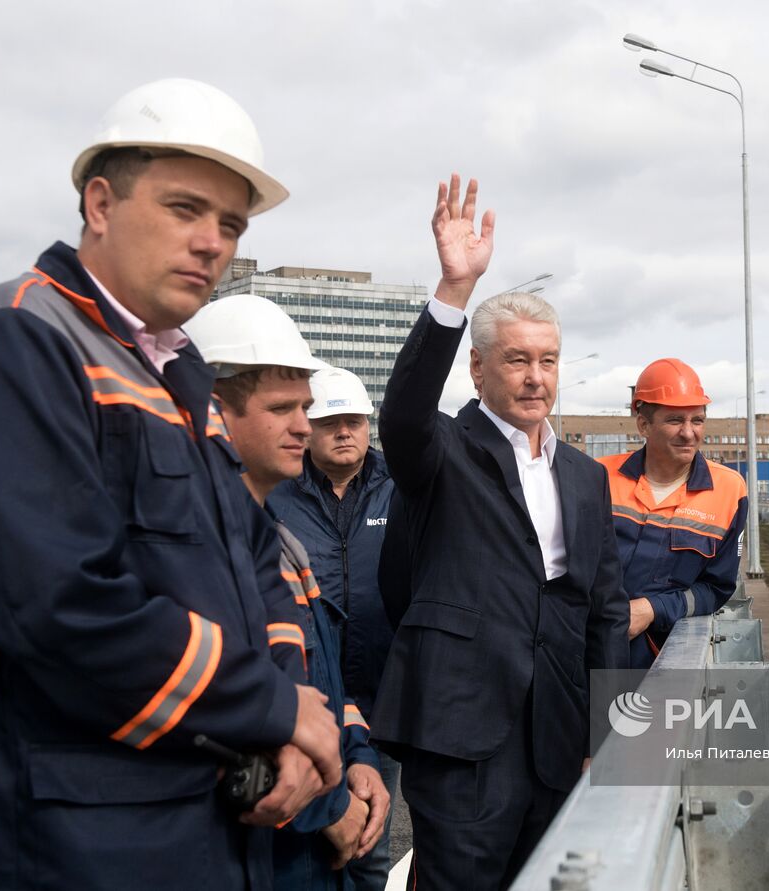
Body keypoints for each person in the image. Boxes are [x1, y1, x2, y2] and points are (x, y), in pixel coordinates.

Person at [0, 79, 340, 890]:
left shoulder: (179, 377)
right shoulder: (16, 341)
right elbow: (58, 606)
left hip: (196, 827)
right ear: (100, 204)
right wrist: (276, 710)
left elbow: (256, 571)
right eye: (184, 209)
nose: (213, 242)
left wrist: (288, 715)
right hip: (59, 842)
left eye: (231, 225)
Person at [371, 175, 629, 891]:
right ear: (479, 367)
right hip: (461, 737)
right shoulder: (442, 452)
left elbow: (602, 609)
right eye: (517, 360)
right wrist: (454, 290)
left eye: (547, 361)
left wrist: (608, 737)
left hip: (556, 736)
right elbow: (401, 416)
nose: (536, 377)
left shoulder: (585, 475)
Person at [189, 294, 391, 890]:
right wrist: (327, 809)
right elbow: (214, 720)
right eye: (284, 408)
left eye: (307, 407)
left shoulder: (275, 542)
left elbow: (318, 680)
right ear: (211, 409)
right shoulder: (189, 546)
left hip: (312, 840)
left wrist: (359, 756)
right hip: (258, 848)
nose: (305, 426)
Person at [267, 365, 401, 891]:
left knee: (369, 842)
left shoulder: (400, 490)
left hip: (381, 699)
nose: (345, 432)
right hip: (307, 697)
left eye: (354, 421)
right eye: (330, 422)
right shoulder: (277, 490)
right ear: (308, 426)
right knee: (307, 841)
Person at [598, 359, 748, 668]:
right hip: (580, 650)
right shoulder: (599, 477)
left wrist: (652, 609)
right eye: (675, 420)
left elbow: (716, 589)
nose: (689, 433)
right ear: (643, 424)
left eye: (698, 420)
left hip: (657, 659)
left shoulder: (729, 491)